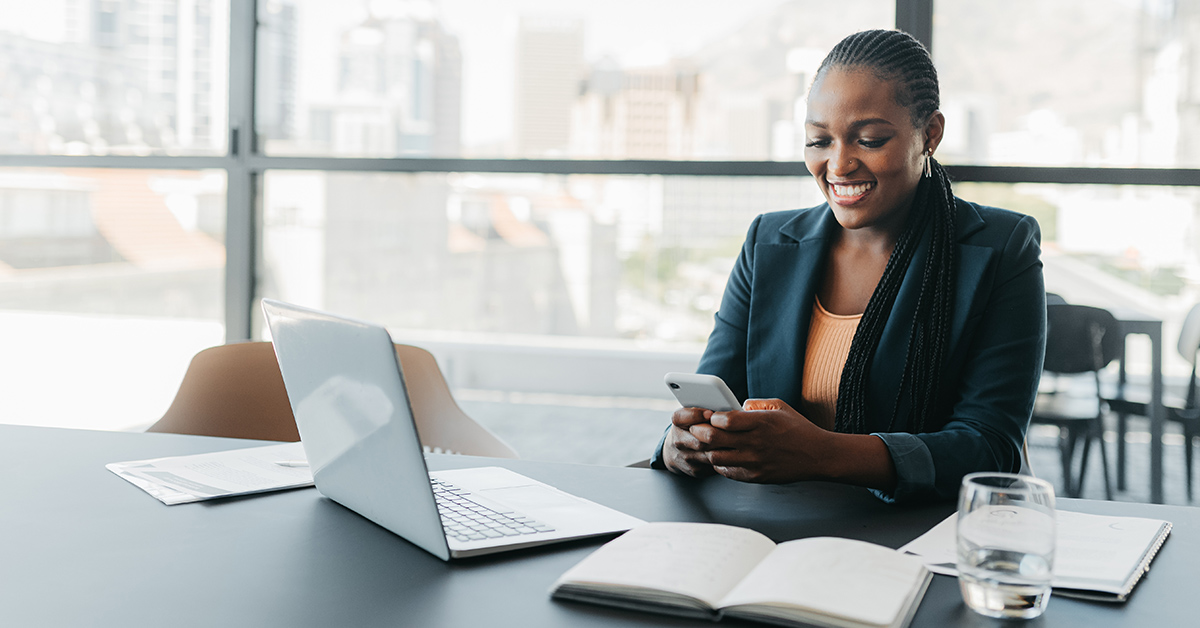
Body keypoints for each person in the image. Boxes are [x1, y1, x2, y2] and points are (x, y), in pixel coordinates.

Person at [649, 29, 1046, 503]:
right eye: (819, 141)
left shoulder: (1000, 249)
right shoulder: (770, 243)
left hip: (918, 534)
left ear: (930, 134)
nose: (838, 165)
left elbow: (990, 447)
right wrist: (683, 443)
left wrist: (822, 454)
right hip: (772, 526)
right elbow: (716, 397)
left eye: (869, 139)